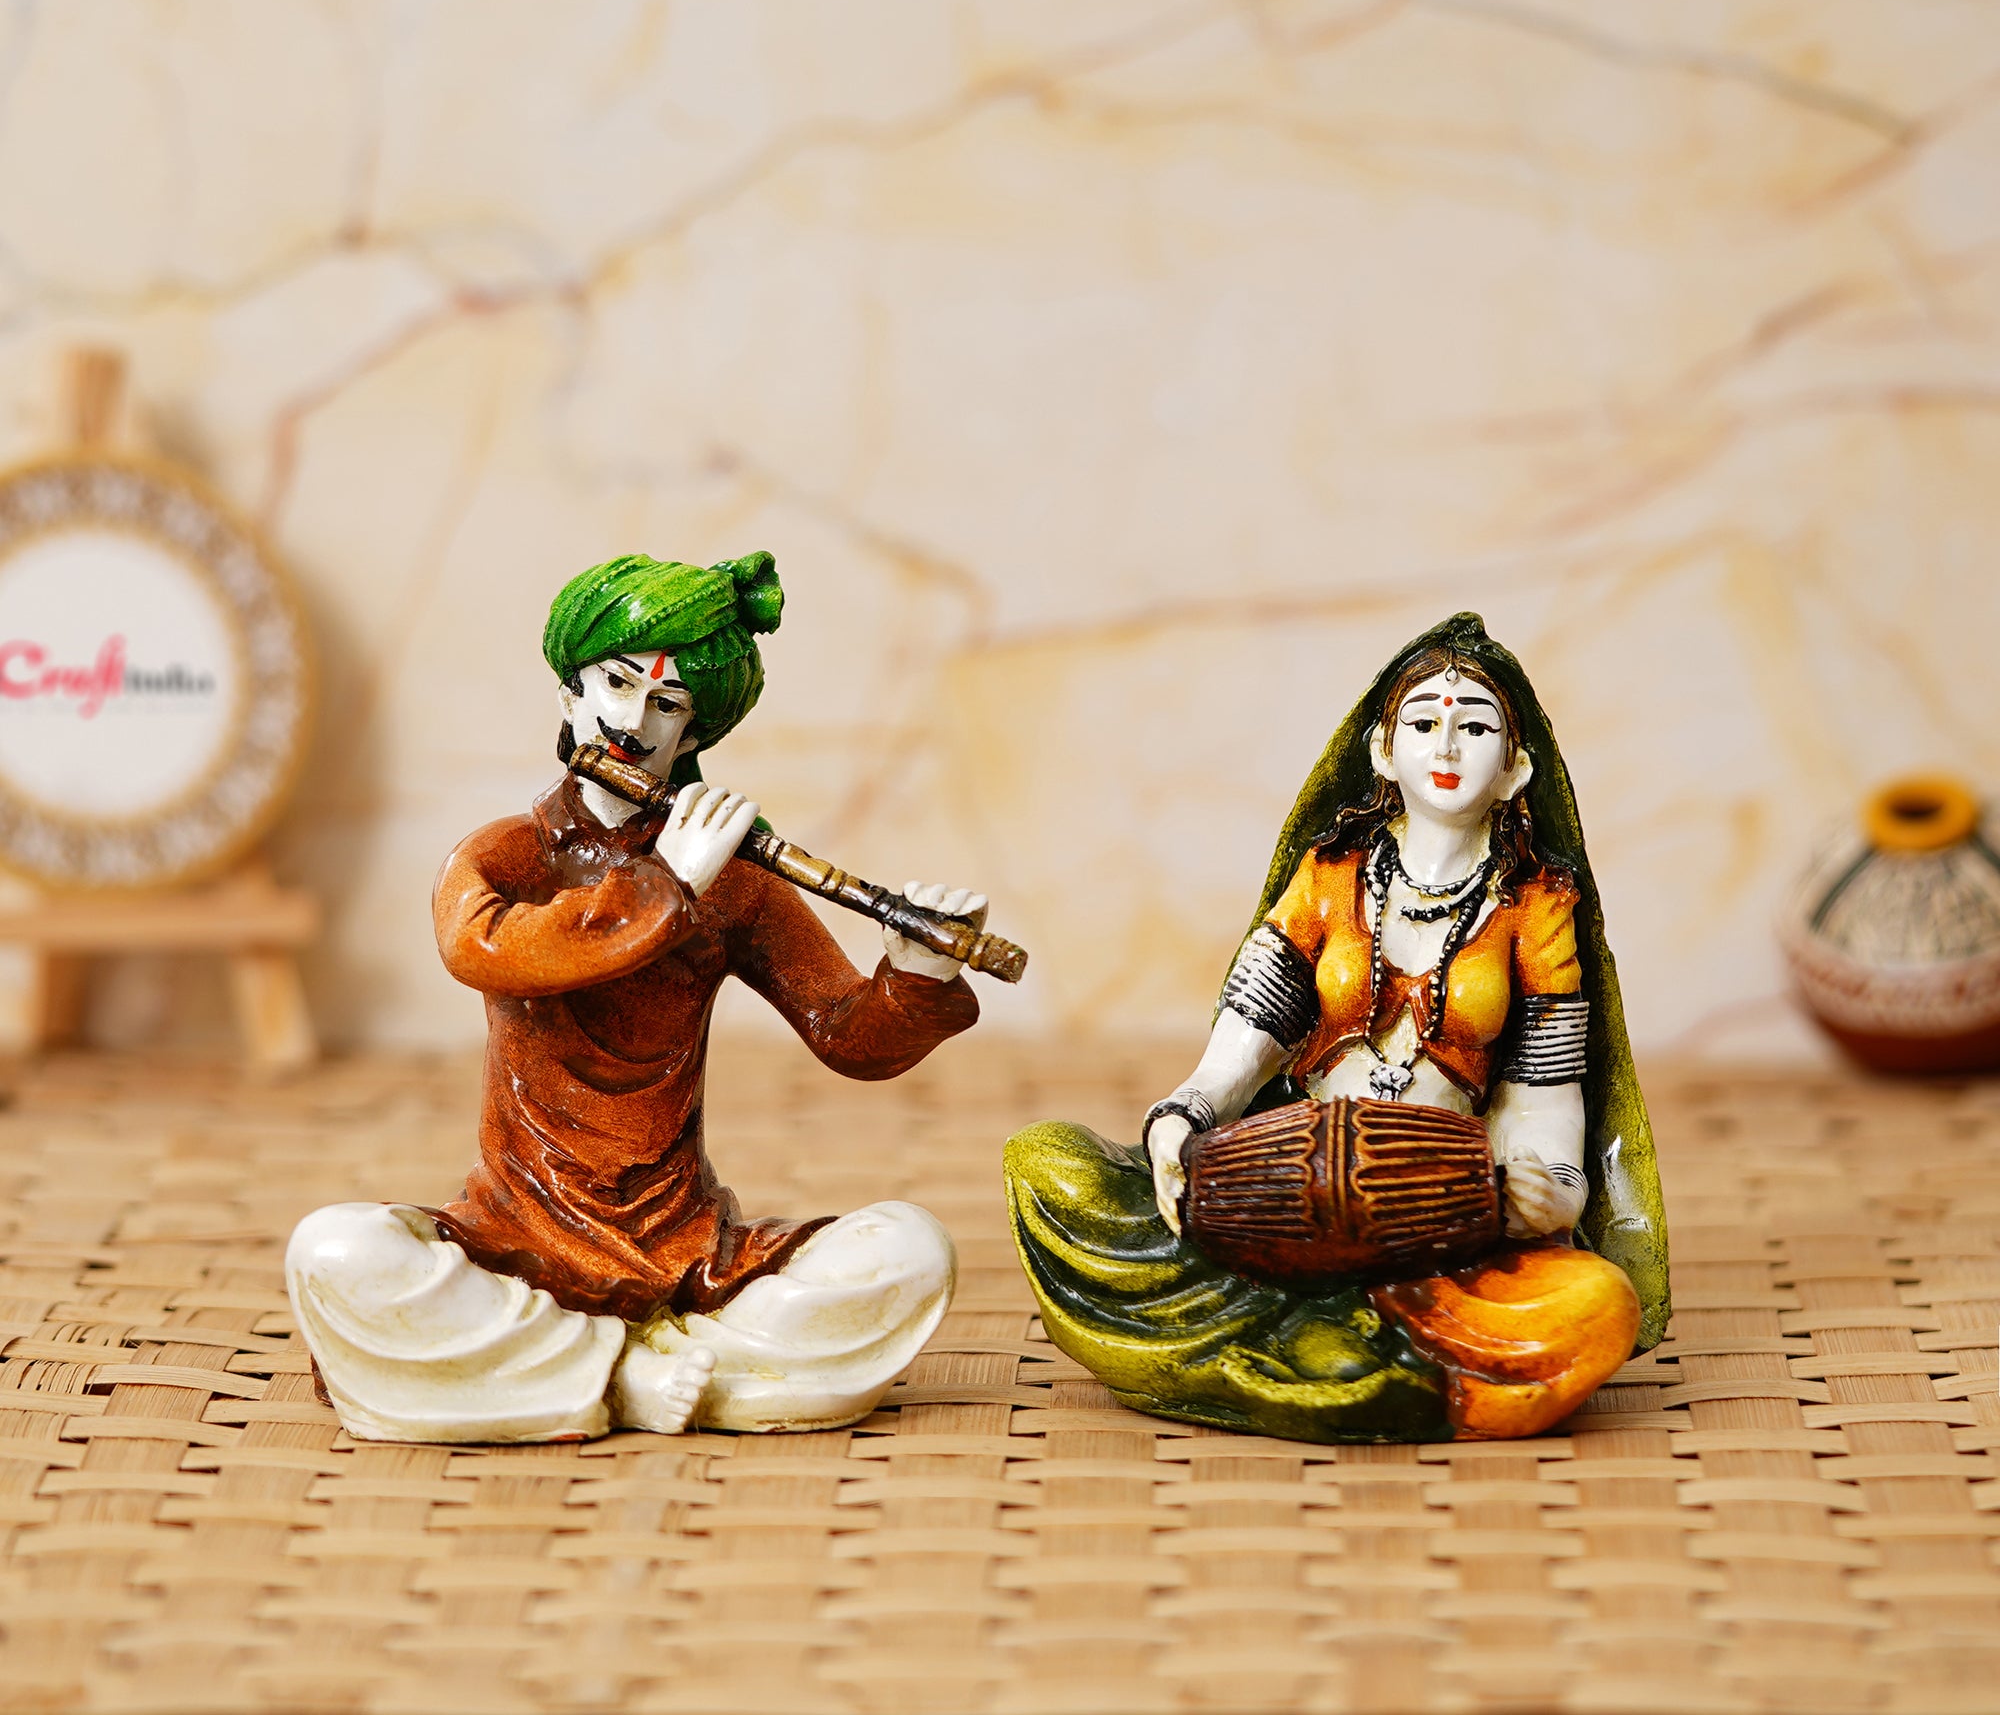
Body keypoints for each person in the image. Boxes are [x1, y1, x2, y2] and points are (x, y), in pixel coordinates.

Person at [288, 551, 988, 1443]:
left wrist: (915, 972)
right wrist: (666, 886)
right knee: (337, 1251)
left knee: (911, 1250)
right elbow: (482, 948)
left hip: (686, 1248)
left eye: (667, 705)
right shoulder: (509, 856)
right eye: (616, 685)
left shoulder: (735, 881)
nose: (633, 721)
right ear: (568, 695)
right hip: (517, 1238)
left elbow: (847, 1034)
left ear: (692, 737)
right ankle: (628, 1370)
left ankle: (609, 1370)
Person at [1005, 613, 1668, 1443]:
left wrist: (1550, 1189)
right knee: (1049, 1164)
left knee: (1596, 1306)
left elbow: (1544, 1097)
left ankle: (1335, 1355)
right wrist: (1182, 1121)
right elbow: (1245, 1044)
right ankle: (1348, 1356)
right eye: (1424, 724)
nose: (1448, 748)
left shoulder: (1536, 907)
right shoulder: (1329, 876)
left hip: (1446, 1225)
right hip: (1280, 1196)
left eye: (1474, 728)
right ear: (1384, 752)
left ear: (1516, 766)